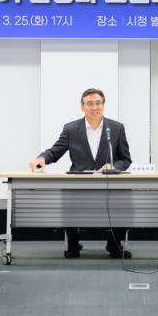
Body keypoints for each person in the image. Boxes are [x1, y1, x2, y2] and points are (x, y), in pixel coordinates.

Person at [28, 88, 132, 259]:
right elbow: (55, 151)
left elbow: (125, 159)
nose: (94, 107)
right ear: (82, 107)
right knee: (68, 200)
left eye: (98, 103)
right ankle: (73, 244)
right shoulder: (71, 129)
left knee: (123, 202)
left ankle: (114, 244)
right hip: (79, 184)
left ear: (103, 105)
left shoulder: (116, 128)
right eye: (89, 103)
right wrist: (42, 158)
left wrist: (113, 166)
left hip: (108, 183)